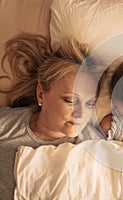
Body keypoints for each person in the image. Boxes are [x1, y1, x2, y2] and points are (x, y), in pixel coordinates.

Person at [0, 33, 102, 199]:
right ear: (41, 94)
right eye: (70, 100)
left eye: (90, 103)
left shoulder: (88, 145)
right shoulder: (6, 124)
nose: (81, 114)